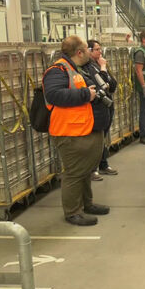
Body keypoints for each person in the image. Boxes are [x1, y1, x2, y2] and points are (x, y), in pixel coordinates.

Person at [43, 36, 111, 226]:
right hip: (69, 132)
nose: (91, 52)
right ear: (79, 52)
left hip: (83, 129)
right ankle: (73, 212)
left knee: (85, 170)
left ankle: (86, 204)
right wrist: (85, 94)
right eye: (87, 49)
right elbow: (54, 94)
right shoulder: (58, 70)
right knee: (74, 173)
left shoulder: (78, 68)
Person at [87, 40, 118, 181]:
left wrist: (104, 68)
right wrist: (103, 68)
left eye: (100, 49)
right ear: (89, 51)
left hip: (107, 105)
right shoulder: (89, 68)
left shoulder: (99, 65)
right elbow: (103, 85)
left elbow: (112, 85)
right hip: (97, 108)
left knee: (103, 138)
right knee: (96, 140)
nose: (100, 52)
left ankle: (103, 164)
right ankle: (93, 169)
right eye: (97, 49)